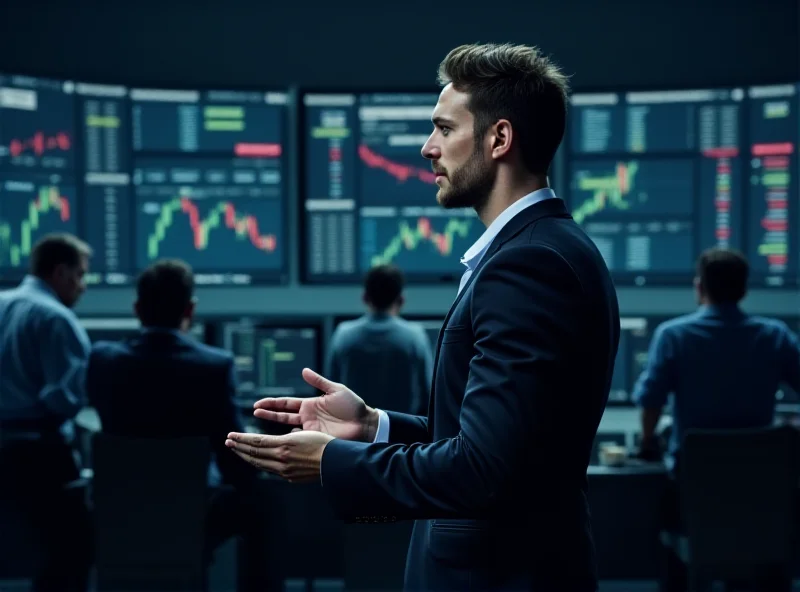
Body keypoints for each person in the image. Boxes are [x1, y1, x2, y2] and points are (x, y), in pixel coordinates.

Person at [226, 43, 620, 591]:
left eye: (443, 129)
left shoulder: (528, 265)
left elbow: (483, 471)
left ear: (499, 139)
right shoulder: (545, 249)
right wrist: (371, 427)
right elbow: (501, 445)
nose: (427, 148)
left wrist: (333, 462)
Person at [86, 259, 275, 591]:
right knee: (263, 503)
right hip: (190, 520)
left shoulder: (103, 361)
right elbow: (233, 460)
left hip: (121, 517)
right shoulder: (214, 367)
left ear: (137, 309)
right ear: (190, 309)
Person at [632, 247, 800, 592]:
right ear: (744, 290)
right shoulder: (775, 336)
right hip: (762, 498)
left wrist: (649, 443)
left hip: (695, 499)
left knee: (658, 521)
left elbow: (651, 401)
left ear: (700, 288)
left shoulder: (674, 336)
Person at [0, 233, 93, 592]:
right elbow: (64, 400)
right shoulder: (56, 319)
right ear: (60, 272)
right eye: (80, 275)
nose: (82, 287)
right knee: (72, 549)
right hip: (38, 457)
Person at [327, 264, 433, 415]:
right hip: (403, 436)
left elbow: (328, 392)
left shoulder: (343, 335)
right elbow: (428, 397)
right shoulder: (415, 338)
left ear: (364, 298)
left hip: (352, 437)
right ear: (401, 300)